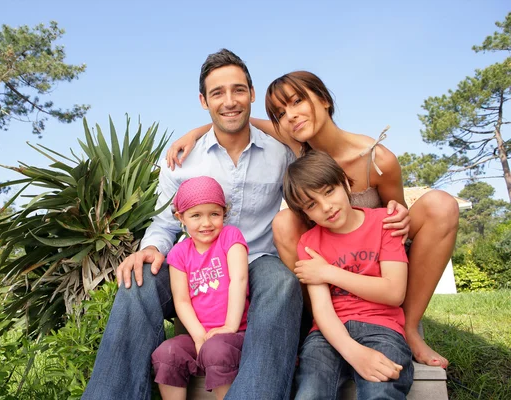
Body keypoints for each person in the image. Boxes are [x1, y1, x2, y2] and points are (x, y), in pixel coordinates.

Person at [166, 70, 459, 368]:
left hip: (371, 255)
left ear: (323, 99)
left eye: (297, 102)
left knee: (441, 205)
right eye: (281, 112)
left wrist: (401, 214)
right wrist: (195, 133)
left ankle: (407, 329)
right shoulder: (296, 144)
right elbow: (238, 121)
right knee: (284, 222)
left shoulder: (377, 159)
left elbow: (393, 211)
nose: (290, 116)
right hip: (325, 258)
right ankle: (318, 324)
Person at [82, 49, 302, 400]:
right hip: (194, 264)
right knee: (138, 280)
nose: (229, 101)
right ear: (203, 100)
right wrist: (151, 248)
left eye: (238, 90)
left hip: (256, 260)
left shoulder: (281, 153)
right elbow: (164, 223)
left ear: (252, 94)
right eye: (217, 93)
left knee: (283, 284)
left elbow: (313, 161)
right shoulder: (181, 160)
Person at [284, 150, 414, 399]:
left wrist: (328, 272)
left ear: (344, 182)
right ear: (305, 215)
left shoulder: (384, 223)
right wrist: (354, 353)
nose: (326, 207)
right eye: (312, 205)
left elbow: (394, 293)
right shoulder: (310, 243)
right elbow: (321, 311)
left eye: (329, 191)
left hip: (381, 328)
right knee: (310, 393)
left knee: (381, 391)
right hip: (327, 334)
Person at [151, 176, 249, 400]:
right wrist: (197, 336)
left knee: (216, 350)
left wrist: (229, 326)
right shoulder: (179, 253)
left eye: (214, 214)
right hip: (201, 333)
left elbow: (239, 280)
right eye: (196, 215)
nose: (206, 223)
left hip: (236, 333)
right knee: (166, 353)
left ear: (224, 213)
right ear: (181, 217)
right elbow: (182, 300)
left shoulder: (230, 237)